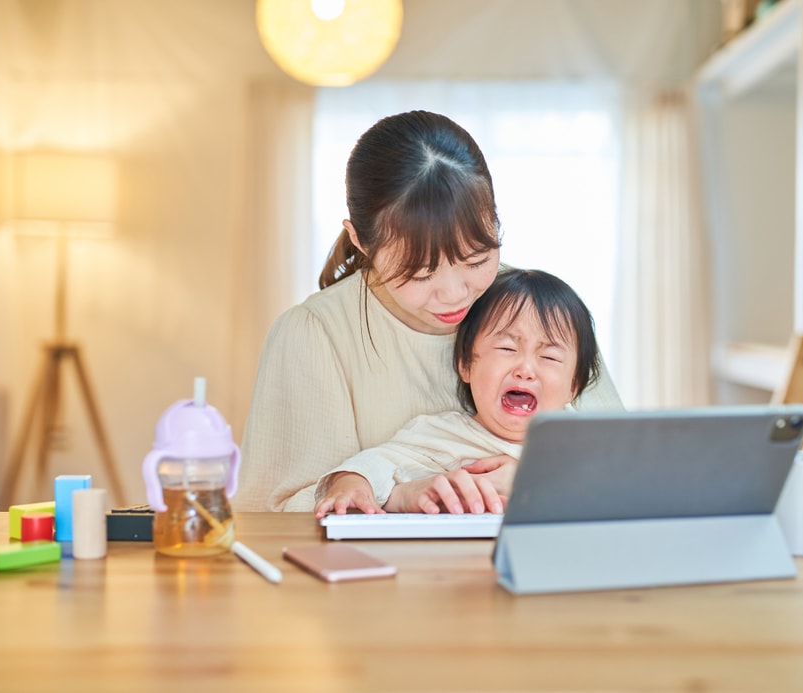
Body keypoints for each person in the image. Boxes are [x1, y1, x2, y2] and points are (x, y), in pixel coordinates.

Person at [234, 110, 622, 512]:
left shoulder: (535, 311)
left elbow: (628, 468)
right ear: (360, 240)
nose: (455, 295)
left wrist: (536, 476)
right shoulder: (314, 334)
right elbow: (267, 517)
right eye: (420, 273)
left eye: (475, 259)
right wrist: (399, 497)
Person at [312, 268, 600, 518]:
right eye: (507, 349)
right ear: (466, 365)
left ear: (574, 385)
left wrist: (532, 477)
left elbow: (617, 490)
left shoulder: (583, 442)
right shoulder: (443, 435)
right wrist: (351, 483)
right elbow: (376, 462)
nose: (525, 369)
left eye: (549, 357)